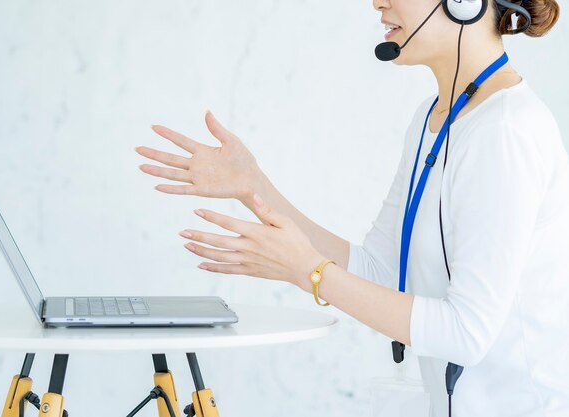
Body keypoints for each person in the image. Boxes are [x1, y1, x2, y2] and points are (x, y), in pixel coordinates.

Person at [135, 0, 568, 415]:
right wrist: (254, 188)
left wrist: (308, 271)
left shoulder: (506, 131)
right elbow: (378, 271)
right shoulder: (433, 119)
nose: (377, 3)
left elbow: (466, 333)